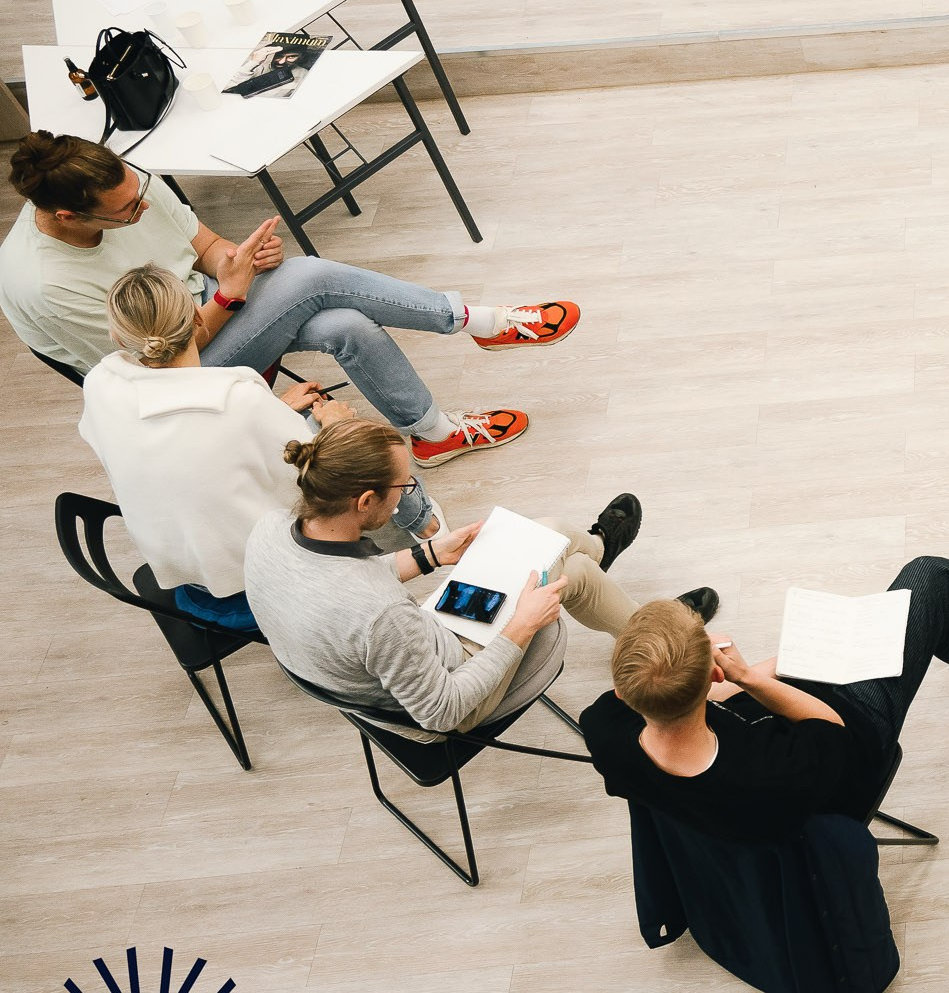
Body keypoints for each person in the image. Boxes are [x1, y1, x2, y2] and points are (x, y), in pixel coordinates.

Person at [3, 132, 573, 467]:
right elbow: (162, 362)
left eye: (140, 191)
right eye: (127, 210)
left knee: (346, 323)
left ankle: (432, 434)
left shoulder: (130, 188)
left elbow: (200, 244)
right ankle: (478, 321)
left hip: (210, 308)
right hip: (179, 377)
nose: (143, 208)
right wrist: (231, 292)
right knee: (311, 278)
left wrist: (236, 259)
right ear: (69, 216)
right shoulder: (46, 284)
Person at [242, 419, 718, 737]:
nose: (408, 492)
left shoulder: (271, 531)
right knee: (561, 556)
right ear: (364, 501)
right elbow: (442, 712)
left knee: (567, 561)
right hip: (451, 685)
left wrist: (431, 554)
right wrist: (521, 627)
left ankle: (629, 598)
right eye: (403, 486)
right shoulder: (380, 617)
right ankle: (666, 638)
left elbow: (348, 580)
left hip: (400, 657)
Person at [580, 515, 949, 841]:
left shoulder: (604, 726)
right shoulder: (771, 769)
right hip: (846, 749)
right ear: (713, 675)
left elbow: (693, 698)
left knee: (923, 615)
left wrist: (775, 663)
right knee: (927, 576)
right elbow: (832, 731)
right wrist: (752, 678)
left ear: (623, 692)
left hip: (764, 751)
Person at [76, 265, 442, 633]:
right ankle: (426, 524)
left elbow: (180, 445)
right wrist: (335, 425)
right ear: (197, 320)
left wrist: (274, 412)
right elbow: (314, 475)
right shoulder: (238, 396)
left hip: (190, 580)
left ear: (118, 337)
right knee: (368, 449)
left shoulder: (99, 384)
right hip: (268, 583)